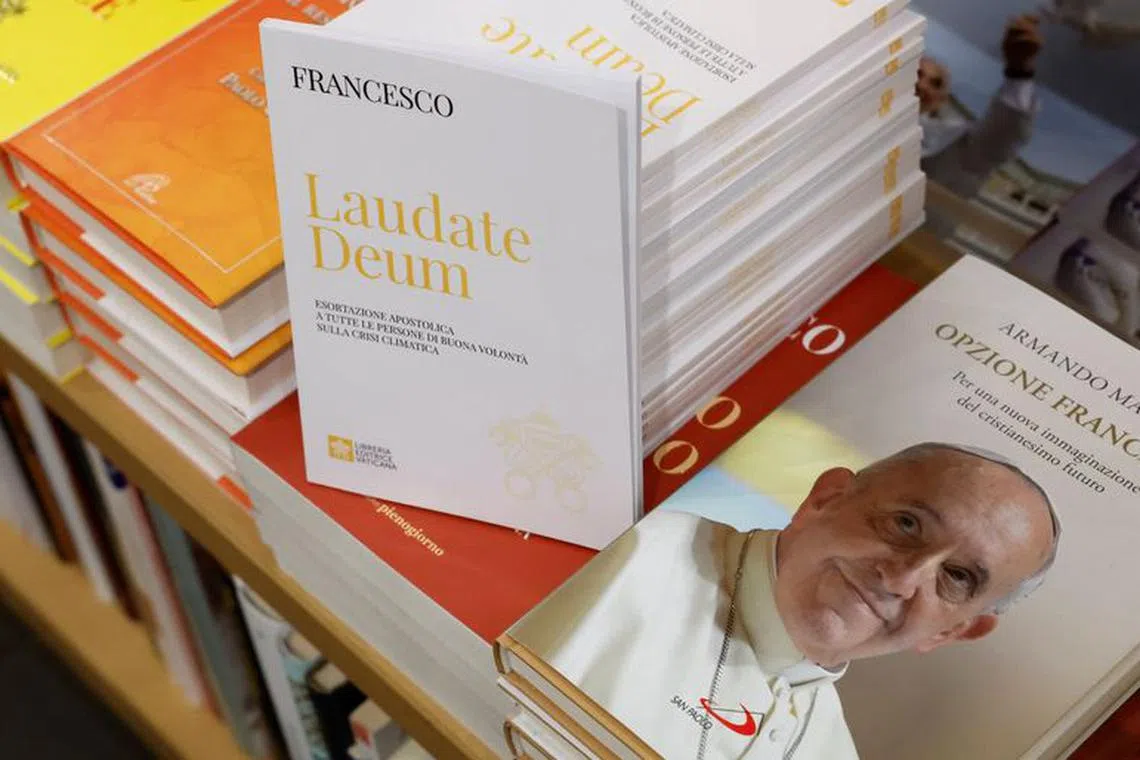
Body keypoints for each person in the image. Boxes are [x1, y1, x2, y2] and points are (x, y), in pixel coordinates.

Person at [512, 442, 1061, 759]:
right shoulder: (627, 548)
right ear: (826, 497)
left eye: (958, 577)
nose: (901, 578)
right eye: (906, 524)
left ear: (952, 632)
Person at [918, 15, 1045, 199]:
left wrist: (1019, 72)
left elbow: (999, 136)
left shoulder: (951, 142)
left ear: (941, 101)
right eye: (916, 73)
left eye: (936, 83)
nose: (921, 85)